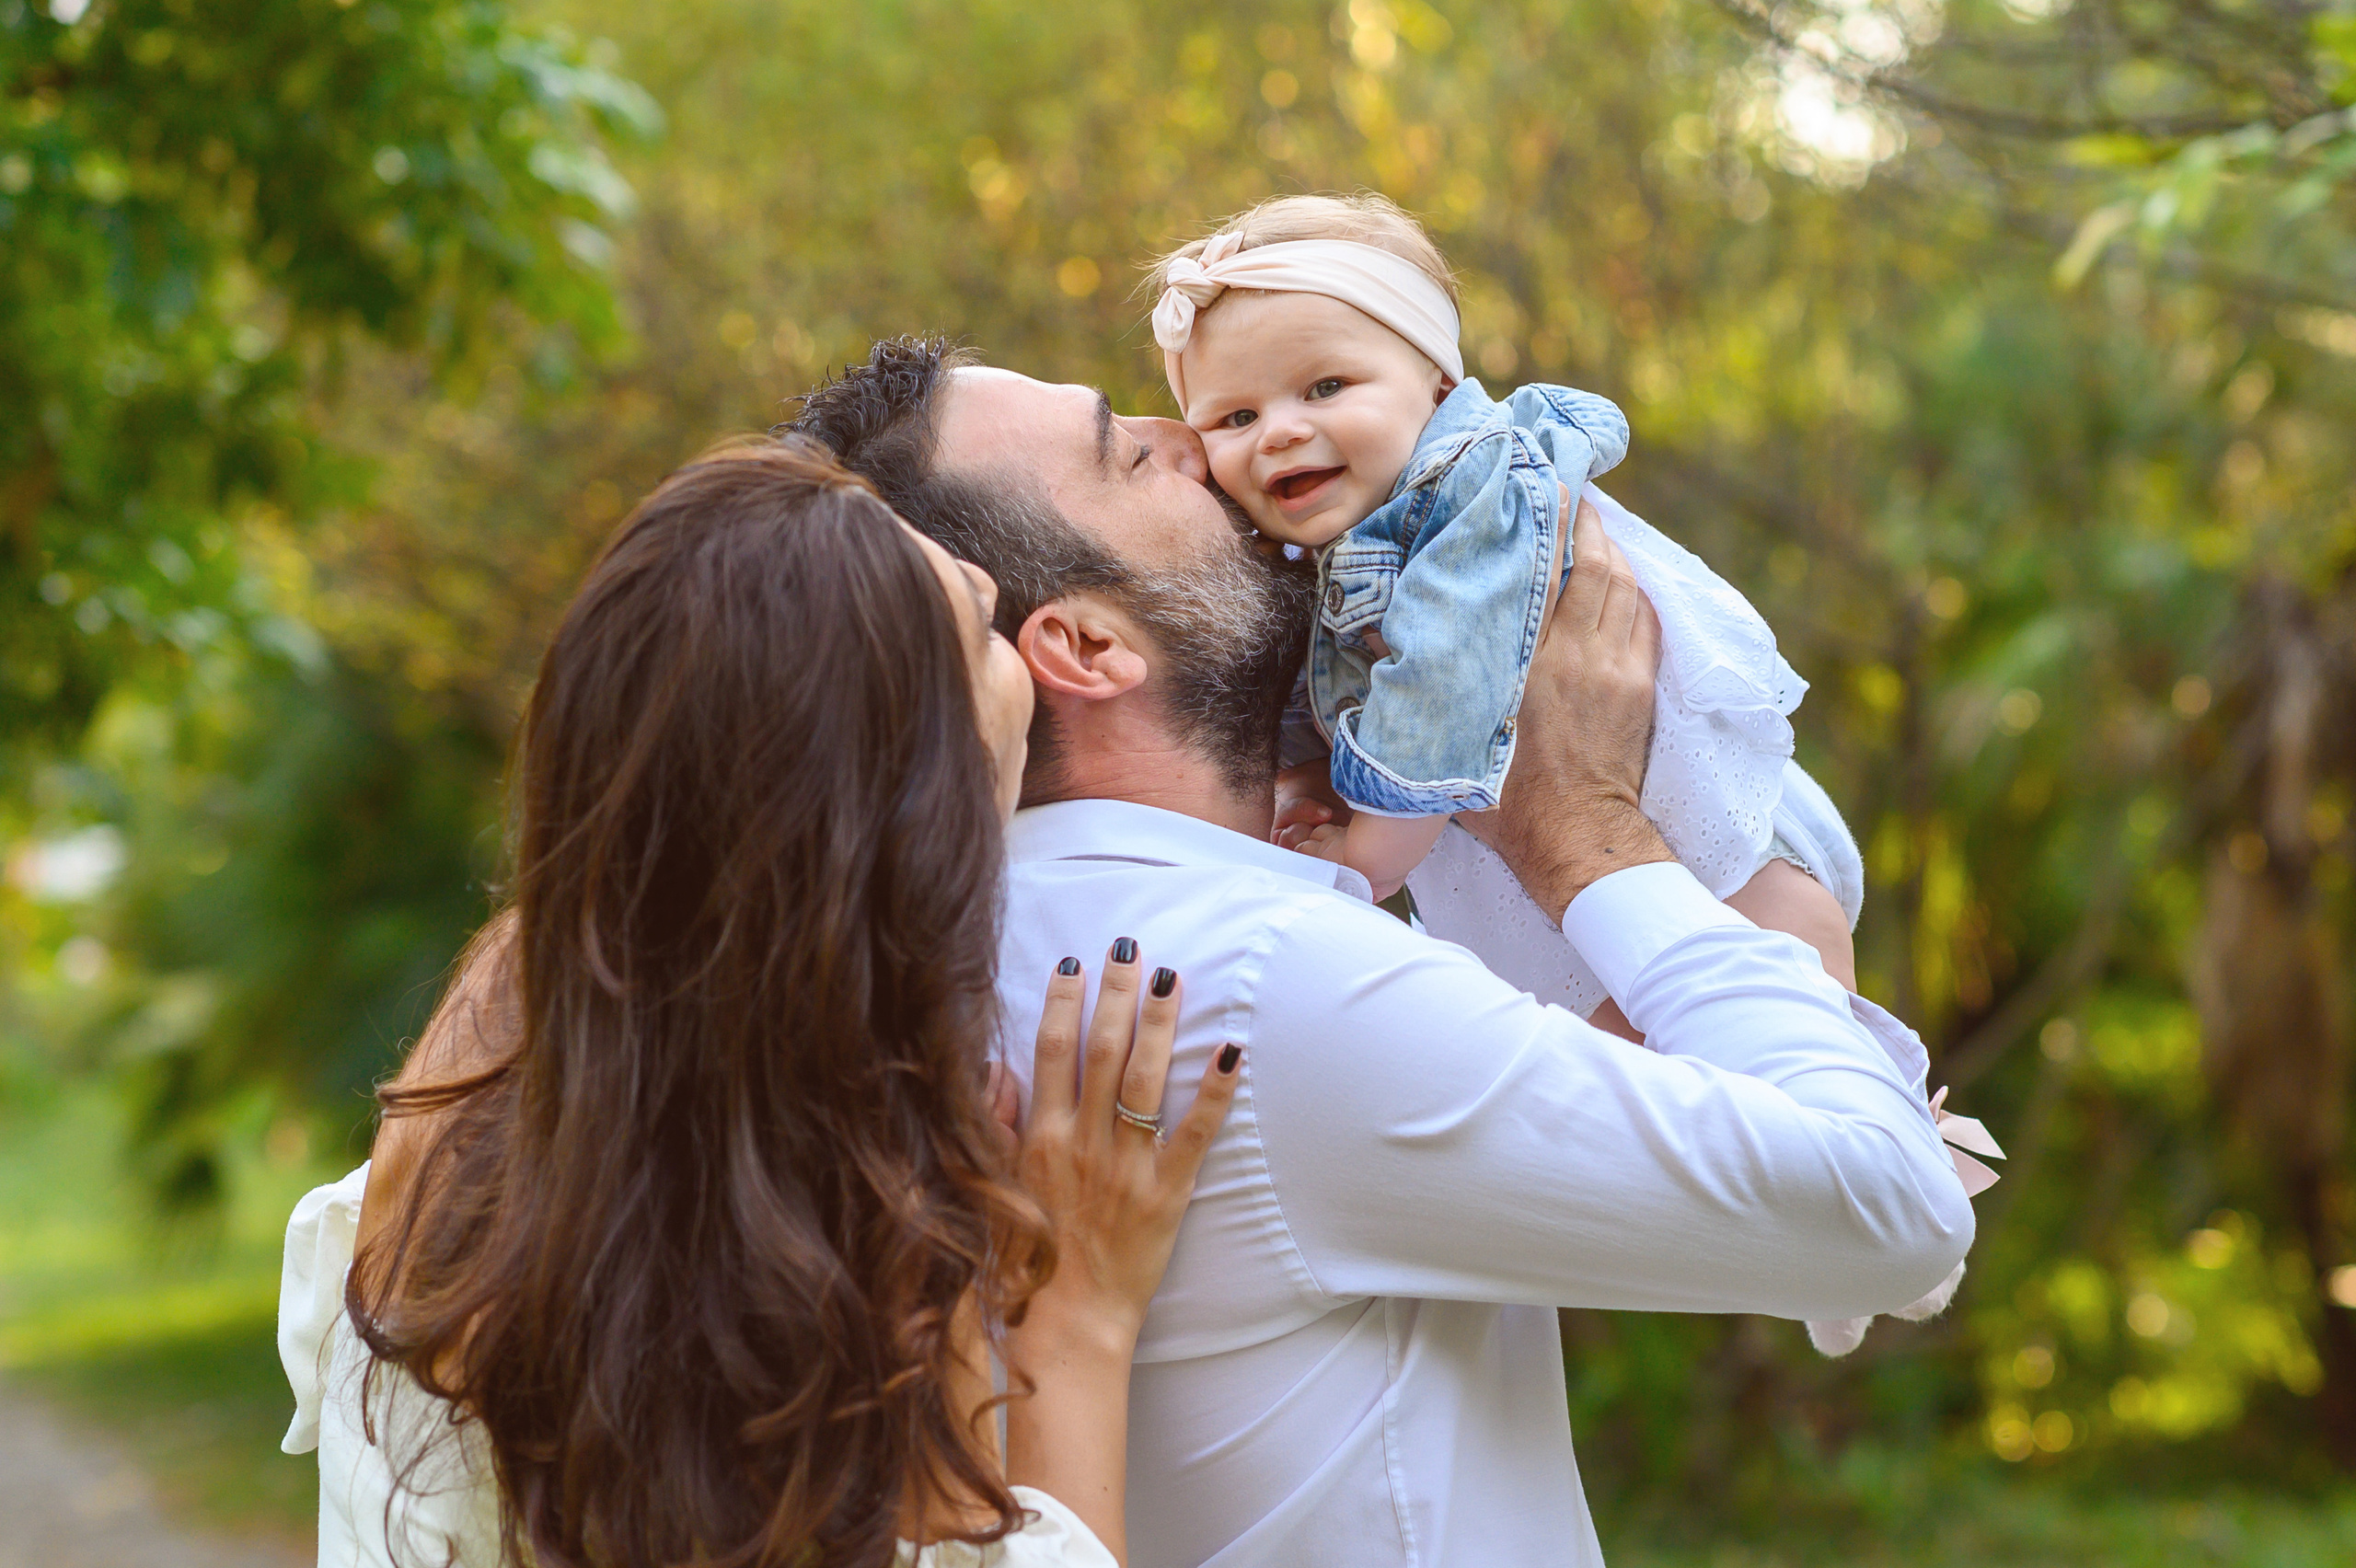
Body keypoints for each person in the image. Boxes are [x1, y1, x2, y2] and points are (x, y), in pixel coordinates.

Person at [787, 338, 1979, 1567]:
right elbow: (1887, 1209)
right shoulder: (1258, 978)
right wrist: (1590, 838)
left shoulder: (961, 963)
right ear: (1085, 650)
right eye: (1126, 451)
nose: (1199, 441)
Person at [275, 440, 1242, 1568]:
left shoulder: (466, 1139)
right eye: (982, 625)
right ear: (915, 810)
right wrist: (1078, 1320)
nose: (1017, 628)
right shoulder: (865, 1289)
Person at [1148, 194, 1861, 1009]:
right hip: (1556, 884)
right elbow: (1326, 695)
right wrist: (1308, 782)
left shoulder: (1476, 487)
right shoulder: (1312, 551)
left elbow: (1448, 683)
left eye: (1325, 386)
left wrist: (1365, 861)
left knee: (1780, 1022)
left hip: (1716, 844)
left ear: (1438, 380)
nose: (1277, 430)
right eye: (1235, 417)